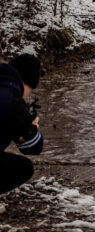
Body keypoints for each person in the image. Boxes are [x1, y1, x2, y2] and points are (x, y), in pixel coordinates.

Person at [0, 54, 44, 194]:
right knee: (23, 168)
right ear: (27, 83)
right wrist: (33, 127)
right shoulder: (11, 99)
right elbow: (32, 147)